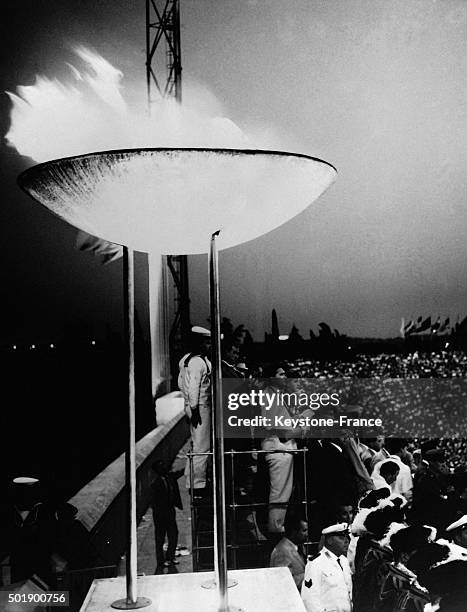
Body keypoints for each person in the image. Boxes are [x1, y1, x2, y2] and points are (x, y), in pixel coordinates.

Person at [178, 326, 212, 495]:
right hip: (201, 406)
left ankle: (190, 476)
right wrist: (195, 409)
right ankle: (198, 484)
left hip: (191, 405)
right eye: (206, 342)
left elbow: (181, 383)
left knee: (195, 443)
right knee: (202, 447)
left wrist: (188, 406)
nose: (209, 345)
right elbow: (194, 387)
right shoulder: (198, 362)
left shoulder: (185, 360)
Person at [301, 523, 352, 612]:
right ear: (330, 541)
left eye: (347, 537)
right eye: (341, 538)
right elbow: (309, 599)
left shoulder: (344, 561)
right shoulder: (316, 563)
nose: (346, 541)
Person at [150, 460, 183, 570]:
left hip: (170, 512)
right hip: (160, 515)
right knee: (160, 538)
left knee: (173, 534)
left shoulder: (169, 477)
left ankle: (170, 556)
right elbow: (154, 503)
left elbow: (179, 473)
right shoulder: (155, 483)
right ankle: (161, 561)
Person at [270, 513, 308, 589]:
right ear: (294, 532)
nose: (307, 534)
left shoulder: (298, 547)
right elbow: (283, 581)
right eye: (304, 530)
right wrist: (310, 576)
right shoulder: (281, 552)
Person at [371, 438, 413, 503]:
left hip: (381, 505)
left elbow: (374, 486)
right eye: (405, 449)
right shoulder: (405, 468)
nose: (406, 451)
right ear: (401, 450)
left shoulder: (378, 465)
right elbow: (407, 493)